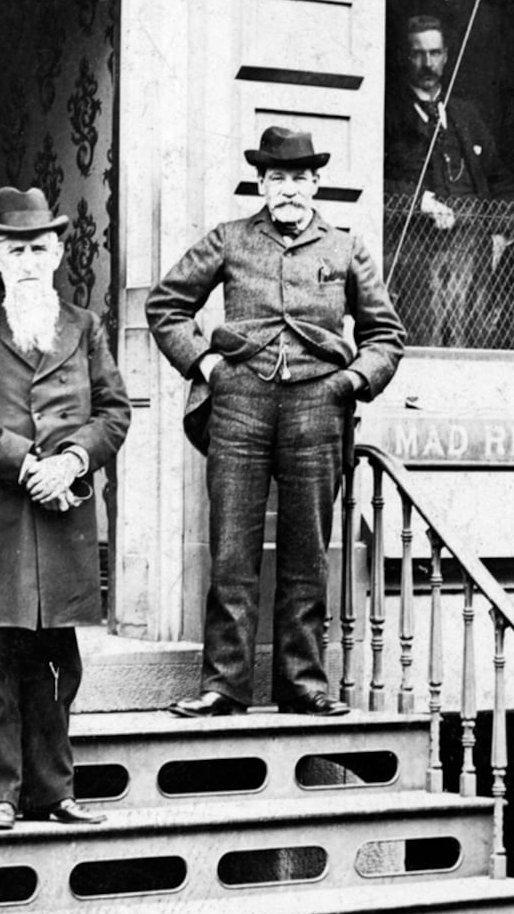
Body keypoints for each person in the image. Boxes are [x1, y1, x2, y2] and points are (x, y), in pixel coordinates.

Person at [146, 125, 404, 717]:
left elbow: (385, 337)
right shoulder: (230, 240)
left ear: (316, 183)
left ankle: (303, 684)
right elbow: (166, 305)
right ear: (261, 183)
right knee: (232, 549)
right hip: (240, 404)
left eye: (299, 178)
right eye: (277, 178)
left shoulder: (345, 249)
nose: (288, 189)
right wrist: (206, 362)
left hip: (319, 404)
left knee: (307, 551)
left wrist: (349, 383)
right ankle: (224, 685)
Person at [0, 185, 131, 832]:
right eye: (14, 248)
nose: (28, 260)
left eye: (39, 247)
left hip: (61, 525)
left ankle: (52, 790)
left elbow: (114, 412)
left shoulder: (84, 326)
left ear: (56, 252)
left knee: (56, 665)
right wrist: (28, 464)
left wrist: (72, 461)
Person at [383, 14, 498, 347]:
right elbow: (374, 179)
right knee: (425, 333)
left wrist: (502, 234)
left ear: (447, 56)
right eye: (419, 53)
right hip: (415, 248)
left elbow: (497, 174)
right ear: (407, 56)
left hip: (468, 247)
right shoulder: (389, 112)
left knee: (467, 335)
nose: (427, 62)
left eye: (434, 53)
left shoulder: (465, 114)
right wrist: (421, 202)